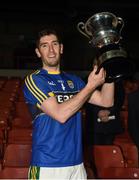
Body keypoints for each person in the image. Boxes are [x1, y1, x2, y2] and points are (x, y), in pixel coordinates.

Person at [23, 26, 114, 180]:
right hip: (47, 165)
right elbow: (61, 114)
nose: (51, 50)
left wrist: (109, 71)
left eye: (55, 44)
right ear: (38, 52)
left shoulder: (75, 81)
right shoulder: (35, 80)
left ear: (61, 48)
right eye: (45, 46)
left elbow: (106, 100)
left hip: (76, 164)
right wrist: (90, 86)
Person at [85, 81, 125, 146]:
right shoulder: (89, 79)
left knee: (109, 151)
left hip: (111, 124)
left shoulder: (116, 81)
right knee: (94, 151)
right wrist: (98, 112)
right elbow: (85, 99)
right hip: (93, 124)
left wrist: (109, 111)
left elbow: (120, 99)